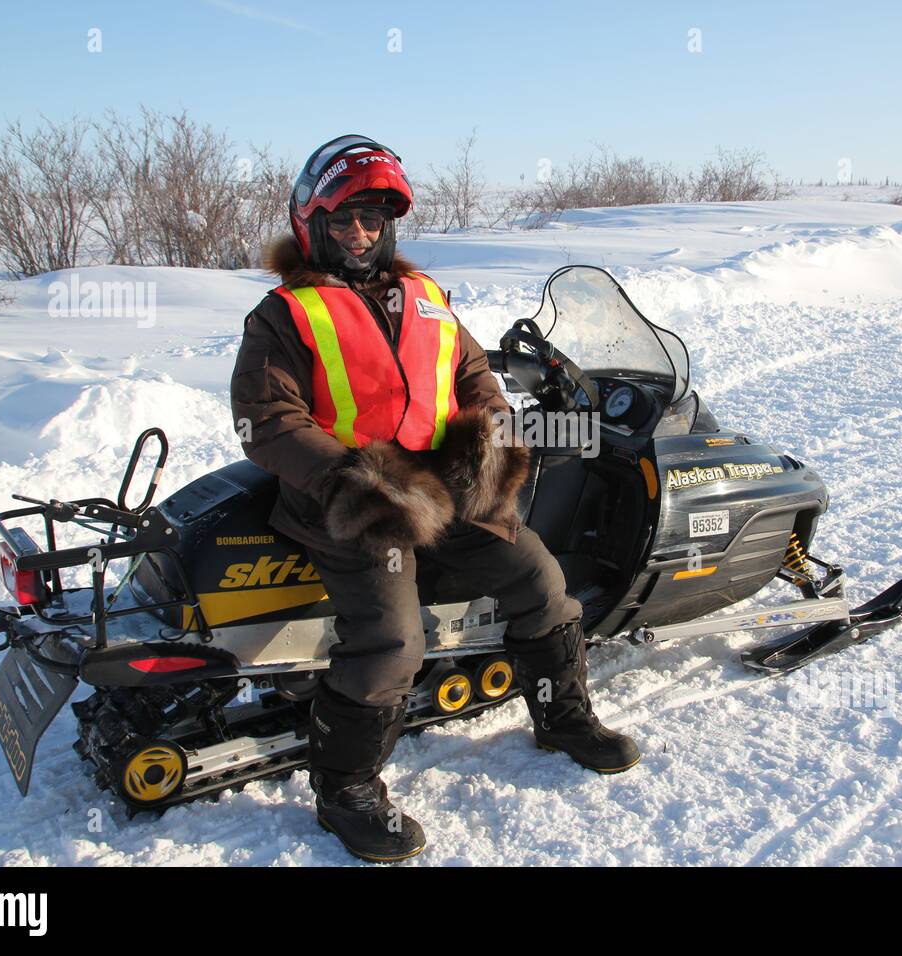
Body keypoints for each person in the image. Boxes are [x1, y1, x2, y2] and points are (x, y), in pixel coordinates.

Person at [229, 135, 640, 862]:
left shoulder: (423, 297)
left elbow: (472, 372)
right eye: (346, 218)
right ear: (314, 223)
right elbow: (268, 420)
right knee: (393, 640)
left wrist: (488, 439)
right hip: (348, 506)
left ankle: (563, 717)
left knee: (540, 577)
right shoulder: (283, 316)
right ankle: (346, 790)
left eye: (375, 218)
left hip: (441, 490)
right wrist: (349, 481)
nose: (362, 233)